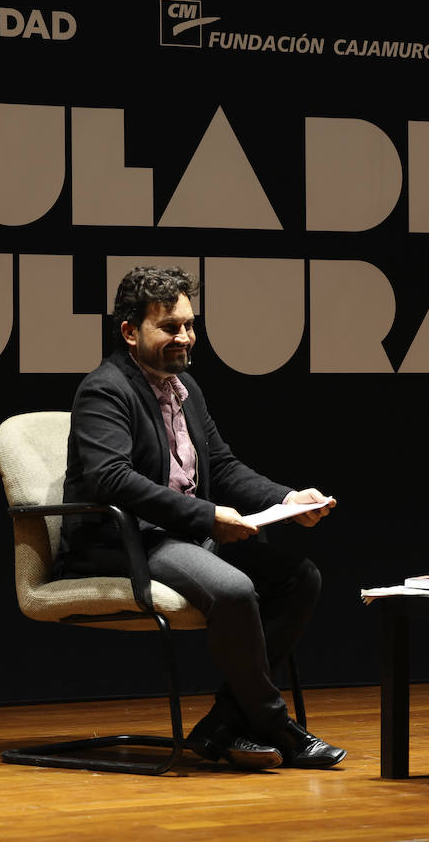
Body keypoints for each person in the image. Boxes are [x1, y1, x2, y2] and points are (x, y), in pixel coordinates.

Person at [58, 265, 345, 771]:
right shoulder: (104, 390)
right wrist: (208, 517)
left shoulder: (185, 388)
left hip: (180, 537)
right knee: (234, 590)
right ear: (130, 331)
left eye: (189, 325)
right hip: (124, 542)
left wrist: (288, 499)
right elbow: (112, 480)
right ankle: (277, 727)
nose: (185, 337)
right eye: (170, 326)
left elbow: (223, 466)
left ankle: (222, 725)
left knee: (299, 578)